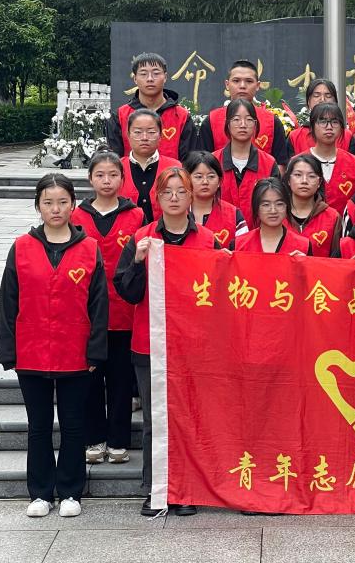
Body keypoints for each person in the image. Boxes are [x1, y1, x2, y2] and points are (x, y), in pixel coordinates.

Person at [0, 173, 108, 519]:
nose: (55, 209)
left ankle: (71, 491)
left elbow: (99, 304)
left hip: (75, 352)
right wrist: (7, 350)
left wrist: (96, 351)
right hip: (31, 351)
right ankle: (41, 493)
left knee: (74, 425)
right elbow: (8, 302)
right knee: (39, 426)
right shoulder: (21, 247)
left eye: (62, 202)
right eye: (48, 202)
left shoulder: (89, 248)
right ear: (38, 206)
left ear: (73, 205)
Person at [114, 167, 219, 517]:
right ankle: (155, 490)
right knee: (155, 420)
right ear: (157, 198)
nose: (174, 198)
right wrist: (138, 262)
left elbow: (223, 291)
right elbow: (127, 292)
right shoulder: (141, 238)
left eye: (181, 191)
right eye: (167, 192)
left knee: (189, 418)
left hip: (194, 347)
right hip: (150, 346)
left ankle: (187, 489)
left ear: (191, 197)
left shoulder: (208, 241)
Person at [70, 152, 145, 469]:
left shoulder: (136, 215)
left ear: (123, 179)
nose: (106, 181)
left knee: (120, 380)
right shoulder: (77, 216)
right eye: (100, 175)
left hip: (125, 312)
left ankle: (117, 441)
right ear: (90, 179)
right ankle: (94, 439)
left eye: (113, 175)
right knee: (90, 380)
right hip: (87, 314)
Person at [198, 60, 291, 166]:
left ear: (258, 85)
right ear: (227, 84)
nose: (242, 86)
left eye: (249, 81)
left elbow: (281, 165)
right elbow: (202, 164)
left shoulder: (272, 122)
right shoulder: (211, 121)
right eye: (236, 81)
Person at [106, 52, 195, 161]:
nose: (150, 79)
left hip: (172, 172)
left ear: (165, 77)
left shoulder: (182, 116)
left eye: (156, 73)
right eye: (143, 74)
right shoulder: (120, 116)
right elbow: (115, 161)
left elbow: (190, 162)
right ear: (135, 79)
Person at [213, 98, 281, 226]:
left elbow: (277, 201)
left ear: (255, 125)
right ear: (228, 124)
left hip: (260, 233)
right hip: (221, 232)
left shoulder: (268, 163)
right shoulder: (214, 161)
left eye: (249, 120)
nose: (243, 124)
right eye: (236, 119)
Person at [120, 109, 184, 224]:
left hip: (165, 231)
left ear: (160, 135)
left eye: (151, 132)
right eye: (138, 132)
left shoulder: (174, 166)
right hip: (124, 232)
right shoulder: (117, 168)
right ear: (128, 135)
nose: (144, 137)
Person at [301, 102, 355, 215]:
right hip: (308, 225)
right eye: (323, 121)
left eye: (335, 122)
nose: (329, 127)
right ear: (312, 126)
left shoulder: (354, 163)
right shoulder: (299, 163)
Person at [183, 150, 248, 248]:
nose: (205, 182)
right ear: (187, 180)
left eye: (211, 176)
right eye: (198, 177)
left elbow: (243, 250)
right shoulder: (178, 212)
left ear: (219, 181)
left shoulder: (234, 215)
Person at [283, 154, 342, 257]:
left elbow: (337, 261)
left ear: (319, 182)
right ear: (288, 180)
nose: (304, 181)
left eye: (311, 176)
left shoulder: (333, 217)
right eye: (298, 175)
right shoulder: (278, 214)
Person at [235, 178, 312, 254]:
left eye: (279, 204)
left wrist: (304, 261)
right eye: (266, 205)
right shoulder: (238, 245)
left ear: (287, 206)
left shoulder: (303, 246)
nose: (273, 211)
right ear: (256, 208)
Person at [288, 79, 352, 153]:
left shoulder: (346, 136)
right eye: (316, 95)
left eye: (328, 96)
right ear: (308, 102)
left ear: (335, 101)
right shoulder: (295, 136)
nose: (322, 99)